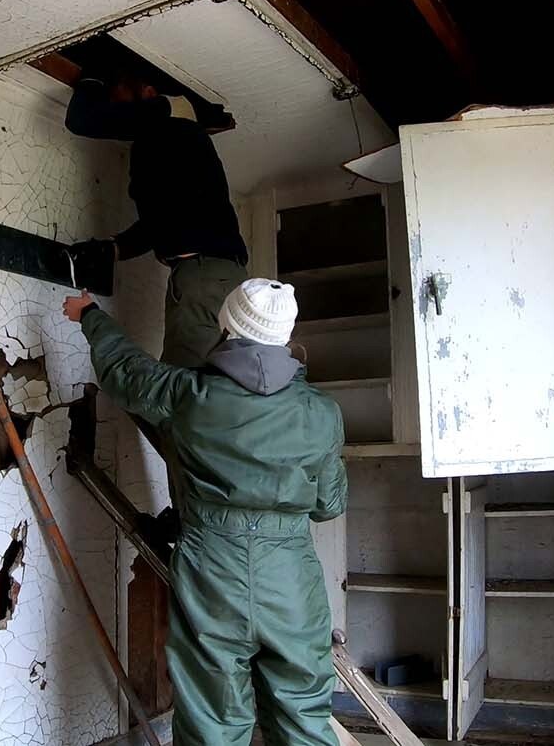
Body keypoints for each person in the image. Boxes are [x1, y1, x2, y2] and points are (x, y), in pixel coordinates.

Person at [63, 279, 346, 746]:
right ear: (285, 334)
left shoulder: (186, 395)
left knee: (212, 722)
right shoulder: (322, 412)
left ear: (227, 324)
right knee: (303, 718)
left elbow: (126, 371)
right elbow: (329, 505)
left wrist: (91, 315)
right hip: (291, 578)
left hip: (212, 570)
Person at [64, 74, 248, 370]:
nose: (115, 108)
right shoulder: (176, 140)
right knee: (207, 380)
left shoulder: (166, 111)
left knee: (182, 388)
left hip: (203, 275)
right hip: (216, 273)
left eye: (117, 97)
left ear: (148, 91)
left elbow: (81, 119)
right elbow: (160, 221)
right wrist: (113, 250)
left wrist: (91, 78)